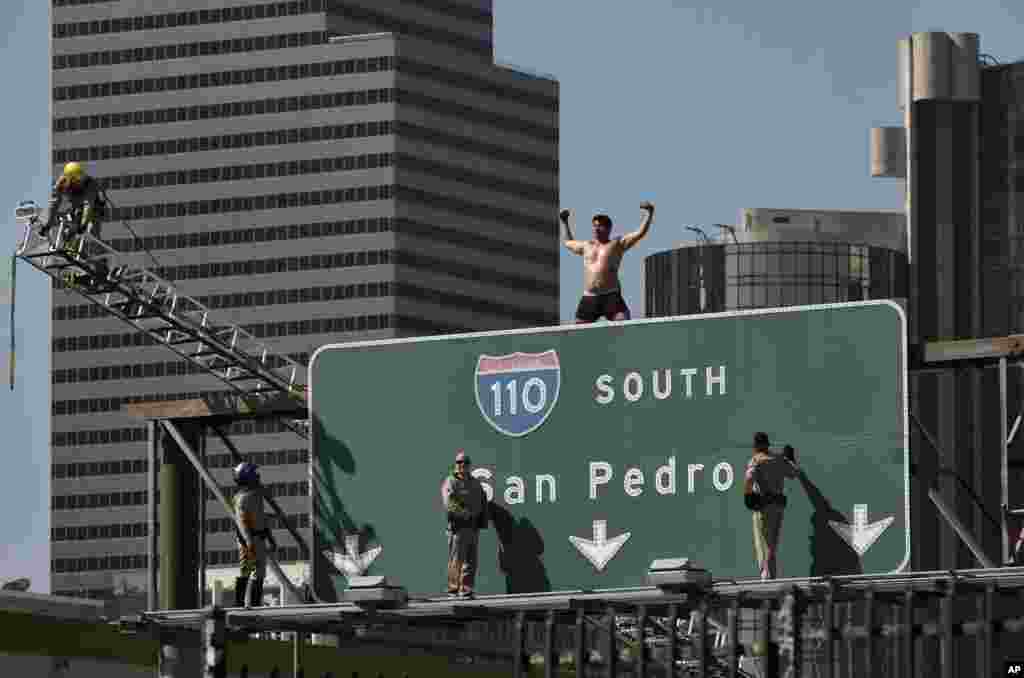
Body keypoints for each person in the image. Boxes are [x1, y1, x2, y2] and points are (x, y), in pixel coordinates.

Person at [559, 202, 654, 323]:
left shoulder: (617, 244)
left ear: (608, 228)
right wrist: (565, 222)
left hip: (611, 295)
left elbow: (639, 233)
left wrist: (649, 213)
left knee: (623, 323)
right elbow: (568, 242)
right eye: (594, 226)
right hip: (590, 297)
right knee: (579, 330)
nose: (596, 229)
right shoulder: (586, 246)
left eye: (599, 226)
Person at [744, 433, 800, 580]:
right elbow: (794, 473)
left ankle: (766, 579)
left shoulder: (756, 460)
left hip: (763, 507)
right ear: (767, 445)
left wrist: (748, 495)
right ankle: (771, 577)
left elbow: (749, 478)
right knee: (772, 545)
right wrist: (790, 459)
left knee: (763, 544)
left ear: (756, 446)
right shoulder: (779, 459)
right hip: (778, 507)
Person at [440, 450, 487, 598]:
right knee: (456, 561)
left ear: (469, 465)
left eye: (465, 463)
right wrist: (464, 513)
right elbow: (449, 503)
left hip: (473, 527)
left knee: (471, 561)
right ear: (455, 464)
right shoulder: (451, 481)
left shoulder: (475, 483)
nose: (462, 465)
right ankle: (453, 589)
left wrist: (482, 519)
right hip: (458, 527)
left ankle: (466, 590)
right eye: (459, 462)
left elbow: (483, 501)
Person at [232, 462, 277, 608]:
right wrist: (248, 541)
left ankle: (254, 604)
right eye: (255, 474)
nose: (258, 477)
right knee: (247, 570)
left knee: (259, 573)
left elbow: (261, 518)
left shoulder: (255, 495)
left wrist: (269, 537)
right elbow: (242, 522)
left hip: (258, 537)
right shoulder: (242, 498)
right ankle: (240, 605)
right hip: (249, 539)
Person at [43, 161, 106, 249]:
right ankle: (68, 245)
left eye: (80, 179)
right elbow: (54, 204)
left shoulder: (90, 184)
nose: (79, 182)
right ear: (69, 179)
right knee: (70, 226)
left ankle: (91, 250)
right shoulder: (61, 183)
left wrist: (83, 224)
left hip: (95, 207)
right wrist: (48, 224)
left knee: (88, 229)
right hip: (77, 205)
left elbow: (88, 205)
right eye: (76, 180)